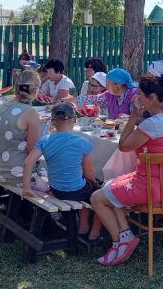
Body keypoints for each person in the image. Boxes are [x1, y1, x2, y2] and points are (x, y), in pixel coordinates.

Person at [90, 76, 163, 266]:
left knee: (97, 198)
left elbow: (123, 146)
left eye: (140, 95)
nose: (137, 98)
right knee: (110, 184)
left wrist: (134, 116)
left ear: (151, 97)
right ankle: (125, 235)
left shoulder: (151, 124)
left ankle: (120, 241)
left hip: (151, 187)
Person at [22, 102, 103, 242]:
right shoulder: (82, 141)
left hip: (56, 188)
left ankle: (83, 224)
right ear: (75, 120)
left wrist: (26, 187)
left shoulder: (45, 140)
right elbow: (89, 171)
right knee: (95, 191)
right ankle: (89, 228)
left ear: (52, 121)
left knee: (85, 187)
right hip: (75, 189)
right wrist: (94, 183)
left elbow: (28, 163)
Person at [0, 71, 42, 183]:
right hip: (18, 174)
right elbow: (32, 151)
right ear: (35, 89)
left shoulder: (1, 106)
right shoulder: (31, 113)